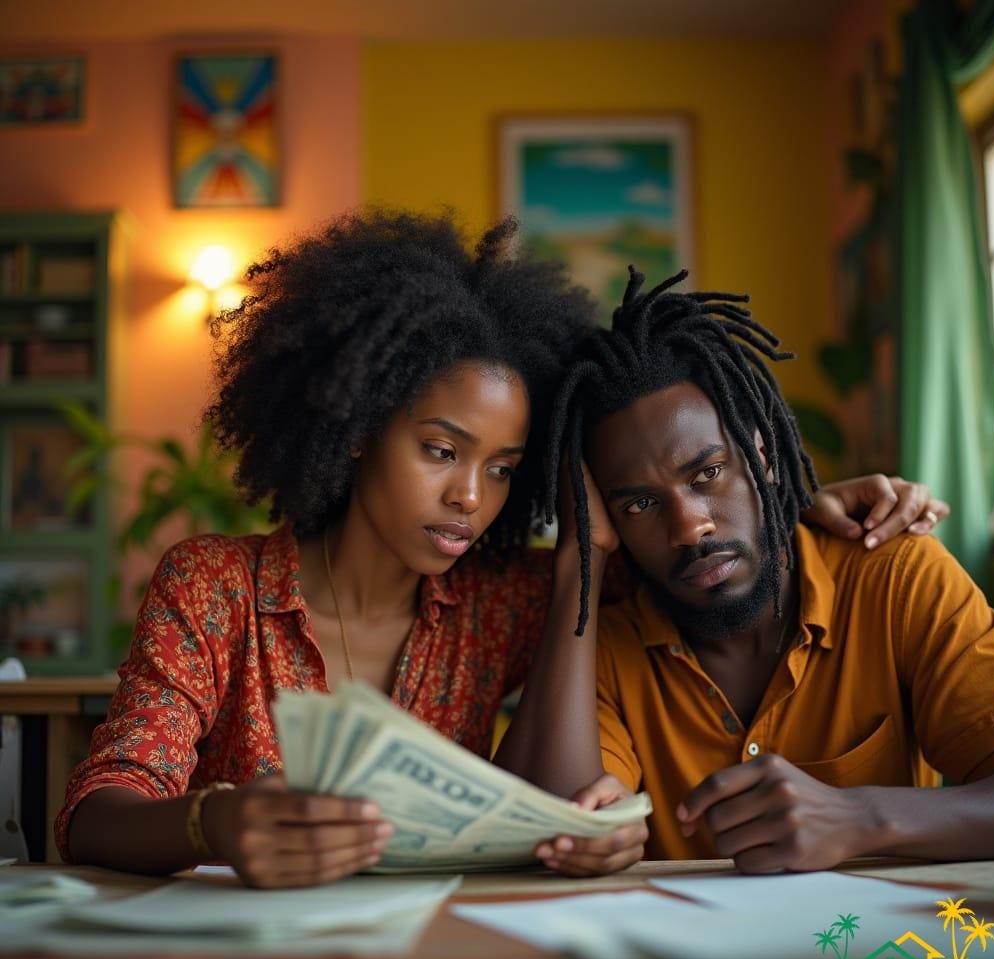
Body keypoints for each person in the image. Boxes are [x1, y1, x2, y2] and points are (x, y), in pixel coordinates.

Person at [58, 214, 948, 888]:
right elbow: (99, 812)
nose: (469, 499)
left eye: (504, 470)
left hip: (431, 952)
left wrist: (794, 504)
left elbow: (695, 547)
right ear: (361, 425)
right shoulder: (216, 585)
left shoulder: (502, 599)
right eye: (441, 451)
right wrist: (214, 826)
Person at [507, 266, 994, 875]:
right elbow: (549, 835)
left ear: (761, 454)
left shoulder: (897, 579)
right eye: (639, 503)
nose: (689, 527)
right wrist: (579, 556)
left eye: (707, 473)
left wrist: (862, 818)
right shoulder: (609, 648)